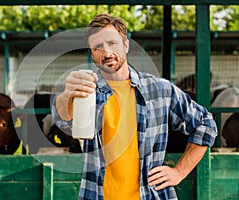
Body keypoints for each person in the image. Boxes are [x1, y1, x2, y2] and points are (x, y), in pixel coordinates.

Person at [52, 14, 217, 200]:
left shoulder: (159, 90)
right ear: (92, 53)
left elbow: (206, 124)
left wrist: (179, 171)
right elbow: (61, 116)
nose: (106, 53)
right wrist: (67, 94)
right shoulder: (87, 91)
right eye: (98, 47)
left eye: (112, 43)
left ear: (126, 45)